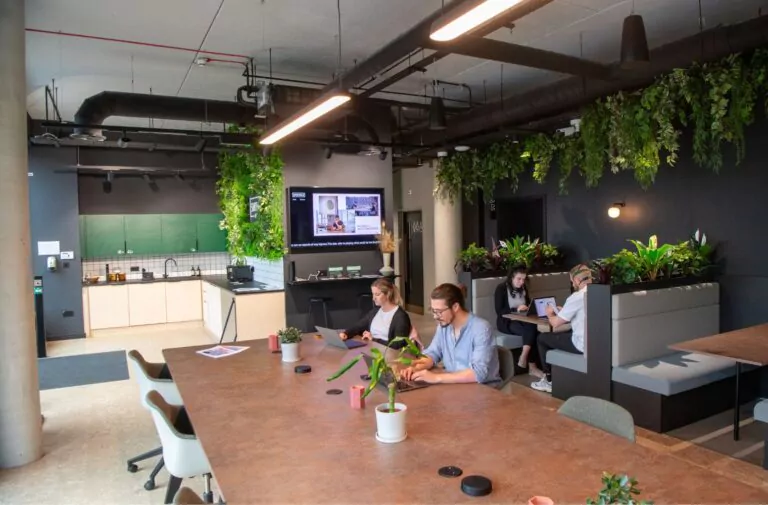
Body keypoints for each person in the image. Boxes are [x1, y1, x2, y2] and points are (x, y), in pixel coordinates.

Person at [401, 283, 500, 384]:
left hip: (482, 390)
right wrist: (416, 369)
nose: (435, 316)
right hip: (455, 387)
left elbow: (478, 373)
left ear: (455, 307)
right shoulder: (444, 326)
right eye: (433, 311)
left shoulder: (481, 329)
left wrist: (436, 377)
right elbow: (433, 353)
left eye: (439, 312)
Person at [531, 264, 592, 393]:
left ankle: (549, 380)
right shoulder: (599, 292)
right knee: (564, 333)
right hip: (596, 343)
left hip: (582, 345)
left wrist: (550, 314)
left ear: (575, 280)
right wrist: (563, 311)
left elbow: (555, 323)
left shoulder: (576, 297)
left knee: (542, 338)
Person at [494, 265, 543, 377]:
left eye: (523, 279)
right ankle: (532, 367)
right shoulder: (501, 288)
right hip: (506, 321)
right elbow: (499, 310)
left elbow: (528, 304)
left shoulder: (523, 289)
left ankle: (524, 357)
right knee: (532, 331)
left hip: (522, 320)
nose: (521, 282)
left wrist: (528, 307)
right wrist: (516, 309)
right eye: (519, 279)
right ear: (512, 277)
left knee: (533, 328)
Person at [339, 278, 412, 349]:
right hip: (372, 349)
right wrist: (346, 333)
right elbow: (359, 326)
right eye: (373, 294)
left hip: (387, 355)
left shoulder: (401, 316)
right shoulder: (375, 311)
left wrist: (374, 339)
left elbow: (398, 344)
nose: (373, 298)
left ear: (388, 294)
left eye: (377, 294)